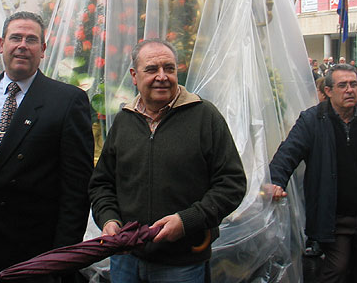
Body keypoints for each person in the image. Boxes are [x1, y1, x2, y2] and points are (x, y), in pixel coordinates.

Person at [0, 12, 94, 282]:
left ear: (42, 50)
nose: (22, 45)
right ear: (1, 44)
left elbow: (77, 186)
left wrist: (63, 255)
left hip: (33, 250)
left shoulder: (67, 101)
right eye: (15, 37)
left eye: (32, 40)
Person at [89, 39, 246, 283]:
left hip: (182, 263)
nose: (162, 76)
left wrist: (187, 221)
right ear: (134, 75)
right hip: (125, 258)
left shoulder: (205, 116)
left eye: (169, 68)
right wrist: (109, 219)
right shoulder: (123, 121)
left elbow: (232, 184)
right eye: (151, 69)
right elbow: (102, 183)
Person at [268, 64, 357, 282]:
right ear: (328, 91)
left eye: (354, 84)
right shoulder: (312, 121)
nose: (349, 90)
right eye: (342, 85)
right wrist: (276, 180)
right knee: (337, 268)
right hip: (332, 216)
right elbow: (288, 153)